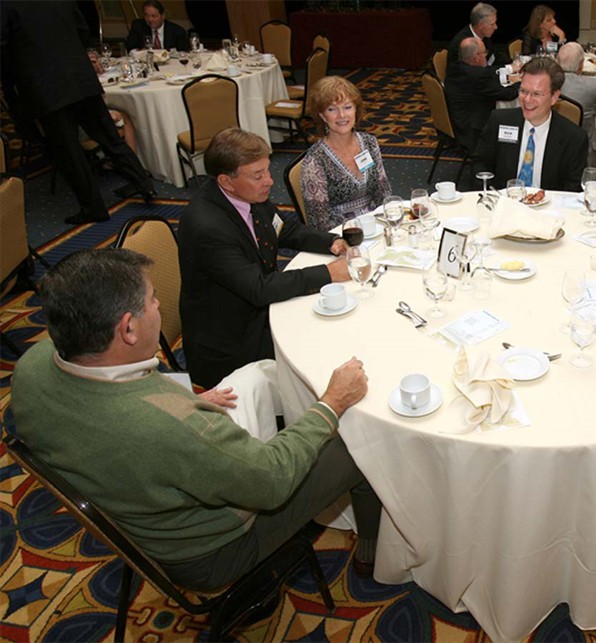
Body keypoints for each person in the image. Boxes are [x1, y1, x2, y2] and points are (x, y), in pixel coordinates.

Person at [11, 247, 382, 589]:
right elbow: (272, 480)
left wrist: (181, 397)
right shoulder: (170, 427)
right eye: (152, 298)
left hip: (130, 500)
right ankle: (373, 550)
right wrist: (332, 402)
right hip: (212, 551)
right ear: (128, 328)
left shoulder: (31, 366)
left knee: (257, 376)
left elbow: (123, 396)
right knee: (361, 441)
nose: (159, 304)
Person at [178, 128, 349, 390]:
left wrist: (332, 243)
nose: (269, 181)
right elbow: (259, 288)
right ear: (226, 181)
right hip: (233, 337)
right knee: (325, 348)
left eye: (267, 171)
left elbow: (284, 229)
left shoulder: (248, 195)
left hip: (256, 306)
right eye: (258, 175)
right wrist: (329, 273)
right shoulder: (208, 228)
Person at [0, 1, 155, 225]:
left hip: (48, 89)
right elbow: (83, 31)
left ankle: (94, 208)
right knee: (109, 137)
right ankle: (144, 185)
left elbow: (3, 48)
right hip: (81, 79)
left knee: (70, 153)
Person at [472, 56, 588, 192]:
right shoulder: (499, 121)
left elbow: (572, 191)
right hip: (504, 205)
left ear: (554, 97)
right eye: (523, 91)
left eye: (536, 94)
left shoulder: (573, 138)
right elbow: (480, 165)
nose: (527, 100)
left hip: (549, 209)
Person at [300, 76, 392, 231]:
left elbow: (383, 191)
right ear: (322, 116)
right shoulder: (315, 161)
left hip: (376, 225)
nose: (341, 115)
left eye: (347, 107)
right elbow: (319, 222)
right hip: (342, 234)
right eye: (332, 109)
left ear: (356, 110)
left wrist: (388, 224)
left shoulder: (369, 143)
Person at [446, 38, 520, 155]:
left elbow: (488, 78)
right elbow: (509, 94)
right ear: (476, 57)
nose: (486, 54)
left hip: (458, 124)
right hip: (475, 131)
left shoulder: (454, 68)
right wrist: (522, 82)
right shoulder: (479, 76)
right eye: (484, 52)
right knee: (515, 119)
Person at [556, 42, 596, 170]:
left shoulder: (546, 82)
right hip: (585, 149)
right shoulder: (592, 85)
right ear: (581, 65)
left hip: (552, 143)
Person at [448, 2, 509, 67]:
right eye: (492, 24)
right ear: (481, 26)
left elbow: (494, 56)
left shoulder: (484, 36)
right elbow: (472, 72)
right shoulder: (462, 43)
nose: (496, 27)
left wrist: (514, 63)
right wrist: (509, 69)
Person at [125, 0, 189, 51]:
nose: (150, 19)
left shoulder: (177, 31)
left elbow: (183, 53)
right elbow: (131, 48)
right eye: (147, 15)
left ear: (163, 16)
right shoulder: (138, 26)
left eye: (154, 16)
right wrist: (140, 52)